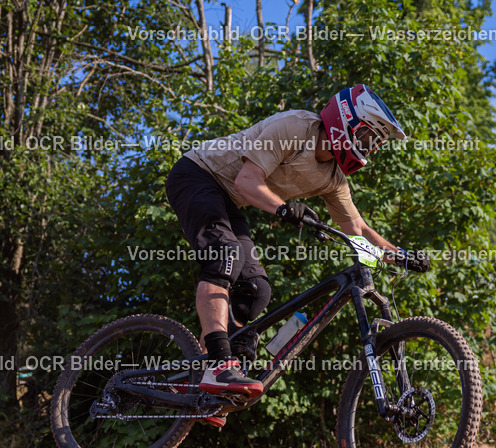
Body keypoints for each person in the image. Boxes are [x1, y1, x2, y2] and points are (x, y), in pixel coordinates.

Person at [164, 85, 428, 426]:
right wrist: (285, 210)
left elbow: (357, 229)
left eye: (372, 144)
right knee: (225, 255)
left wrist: (400, 256)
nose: (366, 149)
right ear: (344, 120)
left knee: (256, 289)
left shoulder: (333, 178)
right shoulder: (295, 127)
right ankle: (218, 366)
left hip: (228, 200)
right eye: (365, 137)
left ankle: (204, 377)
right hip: (198, 174)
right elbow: (247, 180)